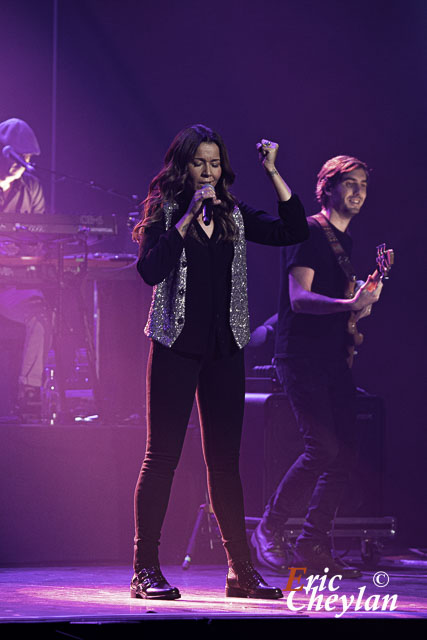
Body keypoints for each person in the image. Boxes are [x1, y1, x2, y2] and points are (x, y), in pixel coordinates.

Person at [131, 124, 309, 600]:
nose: (207, 172)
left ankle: (241, 572)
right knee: (161, 458)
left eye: (214, 163)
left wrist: (272, 171)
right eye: (198, 163)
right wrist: (186, 218)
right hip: (174, 346)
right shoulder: (167, 212)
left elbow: (294, 229)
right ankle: (144, 569)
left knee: (225, 464)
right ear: (183, 167)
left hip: (224, 349)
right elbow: (149, 271)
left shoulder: (234, 214)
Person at [251, 155, 383, 578]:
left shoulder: (348, 243)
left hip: (332, 358)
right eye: (350, 183)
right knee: (321, 447)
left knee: (345, 451)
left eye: (363, 183)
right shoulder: (307, 231)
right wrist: (348, 303)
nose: (358, 191)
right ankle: (268, 530)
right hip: (301, 356)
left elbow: (337, 307)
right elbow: (299, 298)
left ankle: (312, 541)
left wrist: (358, 309)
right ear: (326, 188)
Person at [0, 118, 51, 420]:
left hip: (13, 286)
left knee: (42, 313)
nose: (24, 164)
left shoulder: (32, 187)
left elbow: (40, 237)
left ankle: (29, 392)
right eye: (19, 156)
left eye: (28, 158)